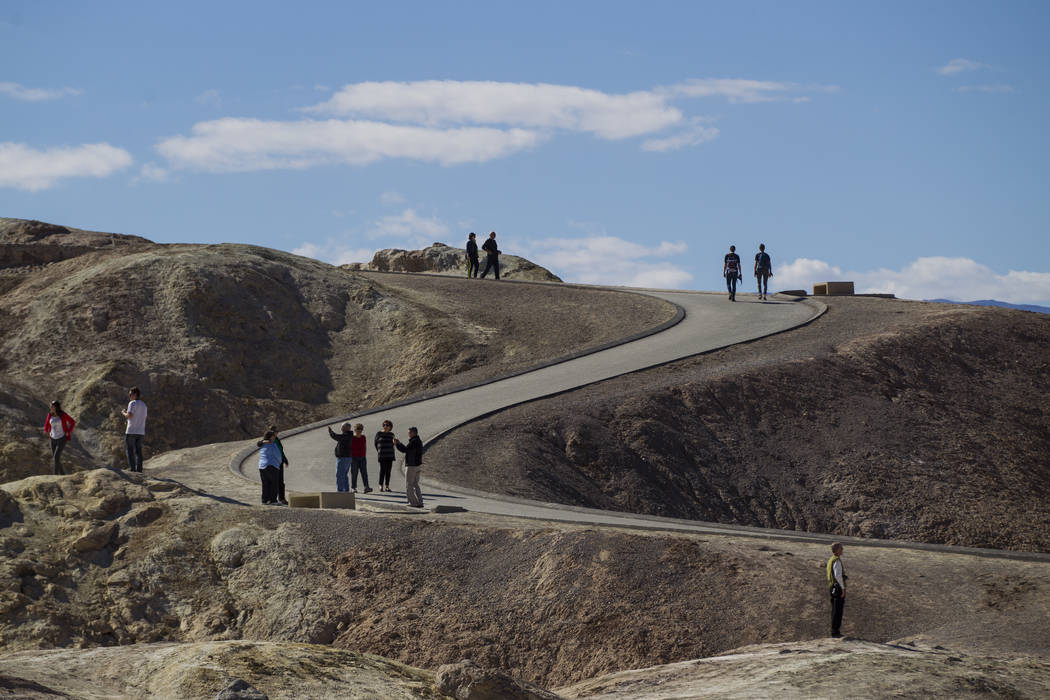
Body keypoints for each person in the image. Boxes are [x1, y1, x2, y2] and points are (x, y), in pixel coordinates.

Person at [42, 400, 76, 475]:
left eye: (52, 406)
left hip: (62, 438)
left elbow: (72, 422)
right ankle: (62, 474)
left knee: (56, 457)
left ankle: (55, 475)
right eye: (50, 406)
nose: (50, 407)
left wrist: (68, 431)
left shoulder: (63, 415)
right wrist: (46, 431)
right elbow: (46, 423)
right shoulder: (50, 414)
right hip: (52, 439)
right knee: (56, 458)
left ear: (56, 407)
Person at [394, 426, 424, 507]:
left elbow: (405, 450)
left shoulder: (414, 441)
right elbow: (407, 449)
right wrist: (399, 444)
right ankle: (420, 502)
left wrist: (397, 444)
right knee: (415, 484)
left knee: (409, 485)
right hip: (417, 465)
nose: (408, 434)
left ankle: (413, 503)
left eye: (410, 432)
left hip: (412, 465)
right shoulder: (418, 441)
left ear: (414, 433)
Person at [121, 386, 147, 472]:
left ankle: (132, 469)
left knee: (130, 450)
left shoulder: (132, 403)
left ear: (135, 394)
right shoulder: (144, 405)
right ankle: (139, 470)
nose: (129, 396)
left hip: (131, 430)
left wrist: (124, 413)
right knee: (138, 451)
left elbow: (130, 415)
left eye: (130, 394)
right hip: (141, 431)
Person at [827, 542, 847, 638]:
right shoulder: (837, 561)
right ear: (837, 550)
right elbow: (838, 576)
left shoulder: (831, 559)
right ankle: (835, 632)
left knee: (835, 609)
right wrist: (843, 589)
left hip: (832, 587)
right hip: (837, 587)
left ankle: (834, 630)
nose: (842, 549)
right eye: (841, 548)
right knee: (838, 610)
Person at [258, 430, 283, 505]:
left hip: (262, 466)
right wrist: (279, 463)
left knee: (265, 483)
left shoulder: (262, 444)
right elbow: (278, 455)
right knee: (274, 483)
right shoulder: (273, 444)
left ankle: (264, 500)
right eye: (273, 436)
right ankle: (273, 500)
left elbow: (258, 444)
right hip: (272, 465)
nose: (275, 437)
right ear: (271, 437)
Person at [328, 422, 354, 492]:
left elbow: (336, 437)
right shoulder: (348, 435)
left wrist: (331, 432)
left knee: (340, 475)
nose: (341, 428)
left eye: (342, 427)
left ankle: (340, 491)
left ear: (347, 428)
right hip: (346, 458)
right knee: (344, 475)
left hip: (343, 458)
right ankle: (346, 491)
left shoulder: (347, 435)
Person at [269, 424, 290, 505]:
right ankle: (272, 499)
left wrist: (285, 459)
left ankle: (282, 498)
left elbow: (280, 450)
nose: (277, 432)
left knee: (281, 481)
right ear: (272, 432)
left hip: (279, 462)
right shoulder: (269, 440)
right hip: (274, 463)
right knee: (275, 481)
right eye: (276, 431)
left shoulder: (276, 439)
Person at [374, 419, 396, 492]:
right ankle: (380, 485)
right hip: (382, 455)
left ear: (390, 427)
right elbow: (375, 443)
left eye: (387, 425)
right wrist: (379, 450)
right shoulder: (379, 434)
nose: (385, 426)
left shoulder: (392, 434)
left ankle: (387, 486)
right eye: (384, 425)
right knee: (382, 470)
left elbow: (394, 444)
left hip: (390, 455)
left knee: (388, 471)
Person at [350, 423, 373, 494]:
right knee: (354, 473)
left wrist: (364, 455)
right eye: (358, 429)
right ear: (355, 429)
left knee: (364, 473)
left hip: (362, 457)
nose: (359, 430)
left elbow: (365, 446)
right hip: (354, 458)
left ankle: (366, 487)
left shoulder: (363, 437)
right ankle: (353, 488)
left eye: (361, 429)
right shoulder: (352, 438)